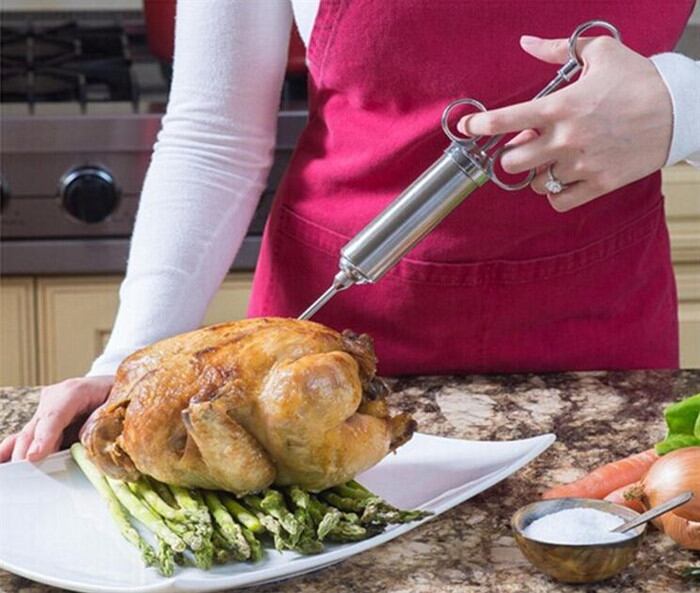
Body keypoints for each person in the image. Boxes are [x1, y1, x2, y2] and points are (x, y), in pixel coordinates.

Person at [2, 0, 699, 463]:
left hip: (601, 348)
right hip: (317, 359)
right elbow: (214, 135)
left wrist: (683, 105)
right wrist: (128, 363)